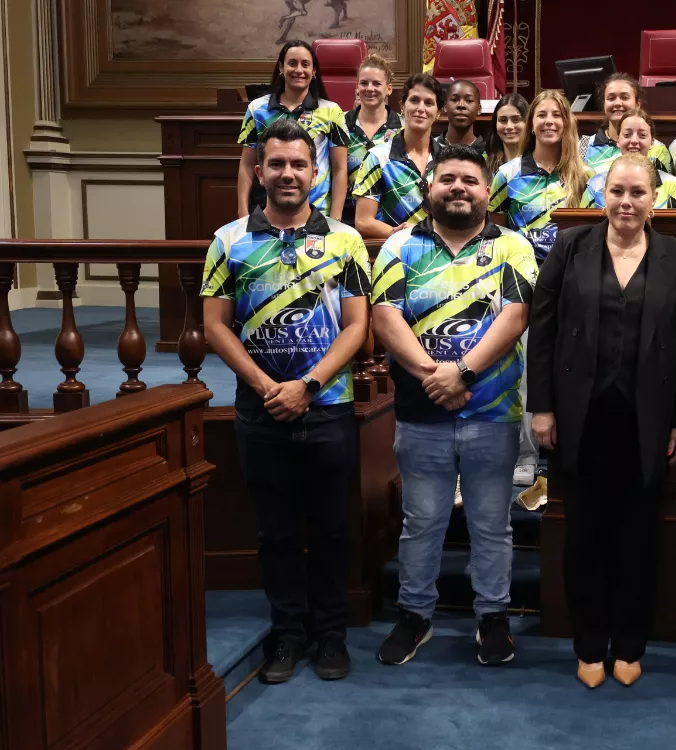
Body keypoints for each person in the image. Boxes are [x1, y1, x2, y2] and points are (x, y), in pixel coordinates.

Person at [202, 118, 369, 684]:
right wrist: (266, 387)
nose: (288, 174)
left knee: (331, 528)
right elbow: (214, 325)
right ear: (260, 170)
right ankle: (287, 635)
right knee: (274, 531)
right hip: (260, 409)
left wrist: (308, 386)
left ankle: (330, 637)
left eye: (299, 164)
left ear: (316, 171)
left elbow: (356, 326)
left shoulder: (345, 241)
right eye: (276, 164)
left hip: (327, 408)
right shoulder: (228, 241)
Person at [527, 152, 676, 689]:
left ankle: (629, 643)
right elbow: (544, 328)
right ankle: (588, 644)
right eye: (618, 191)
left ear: (655, 198)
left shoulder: (675, 255)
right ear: (602, 194)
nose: (627, 202)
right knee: (584, 538)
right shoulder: (570, 246)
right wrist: (542, 406)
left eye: (638, 193)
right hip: (580, 420)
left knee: (636, 538)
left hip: (647, 423)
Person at [372, 144, 538, 668]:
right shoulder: (398, 248)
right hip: (422, 414)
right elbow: (384, 316)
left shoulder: (514, 246)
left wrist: (463, 373)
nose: (459, 188)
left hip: (493, 413)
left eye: (470, 180)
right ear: (430, 189)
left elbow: (516, 316)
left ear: (488, 191)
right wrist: (434, 376)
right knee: (422, 522)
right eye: (448, 179)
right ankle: (415, 615)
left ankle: (492, 616)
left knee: (492, 523)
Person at [237, 41, 349, 220]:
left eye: (305, 64)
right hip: (267, 210)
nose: (299, 70)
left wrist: (335, 217)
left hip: (317, 210)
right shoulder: (257, 109)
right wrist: (242, 213)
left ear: (314, 72)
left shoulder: (332, 112)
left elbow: (340, 168)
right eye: (292, 63)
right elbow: (247, 165)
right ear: (281, 68)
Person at [489, 90, 593, 265]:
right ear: (531, 124)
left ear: (566, 123)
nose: (549, 121)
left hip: (570, 269)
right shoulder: (506, 174)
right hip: (522, 270)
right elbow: (497, 233)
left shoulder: (586, 175)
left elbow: (591, 232)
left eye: (557, 115)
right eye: (541, 115)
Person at [351, 73, 443, 238]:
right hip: (395, 252)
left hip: (442, 251)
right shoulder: (378, 157)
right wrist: (410, 234)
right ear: (402, 106)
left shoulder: (448, 158)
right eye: (414, 100)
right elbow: (363, 221)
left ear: (438, 113)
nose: (420, 108)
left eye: (429, 103)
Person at [343, 54, 404, 227]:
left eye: (377, 83)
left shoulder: (403, 127)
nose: (370, 88)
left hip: (389, 219)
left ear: (389, 89)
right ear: (357, 87)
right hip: (346, 215)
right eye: (364, 83)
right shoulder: (339, 123)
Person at [581, 109, 676, 209]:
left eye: (642, 135)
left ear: (652, 142)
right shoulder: (594, 185)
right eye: (627, 135)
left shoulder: (673, 185)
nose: (634, 140)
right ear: (618, 140)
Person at [581, 73, 673, 175]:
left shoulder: (658, 149)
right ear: (604, 104)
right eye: (611, 98)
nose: (617, 103)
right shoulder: (583, 145)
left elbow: (665, 188)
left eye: (624, 98)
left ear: (638, 104)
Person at [434, 79, 487, 157]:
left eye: (469, 100)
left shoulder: (490, 153)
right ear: (445, 107)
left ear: (479, 109)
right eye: (454, 100)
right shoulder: (431, 148)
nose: (461, 105)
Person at [484, 93, 529, 177]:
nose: (509, 126)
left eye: (516, 119)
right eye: (503, 120)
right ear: (495, 124)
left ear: (528, 123)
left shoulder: (538, 163)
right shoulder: (483, 163)